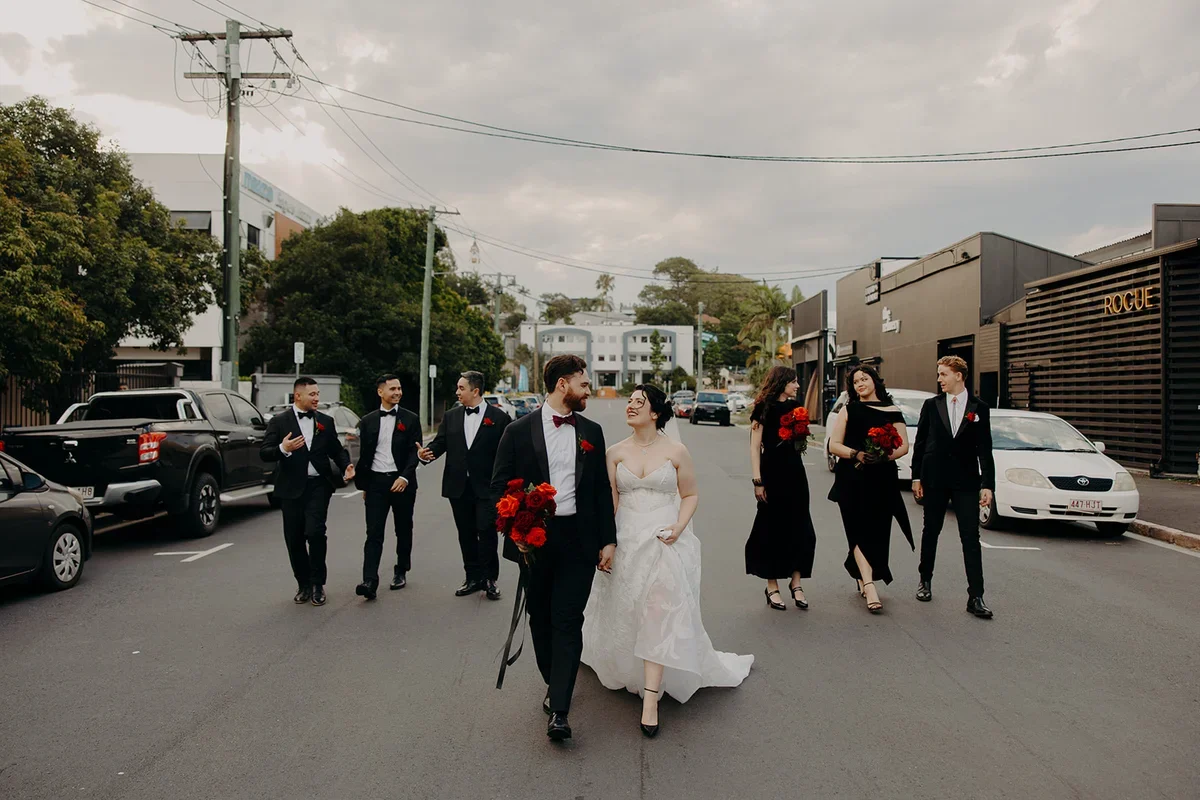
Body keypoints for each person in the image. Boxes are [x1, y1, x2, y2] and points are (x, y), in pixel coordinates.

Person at [582, 385, 753, 739]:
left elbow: (690, 494)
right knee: (629, 609)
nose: (630, 406)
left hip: (665, 539)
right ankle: (635, 671)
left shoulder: (676, 450)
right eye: (629, 402)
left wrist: (678, 526)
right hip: (627, 539)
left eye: (638, 402)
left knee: (659, 611)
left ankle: (651, 700)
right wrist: (606, 543)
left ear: (655, 412)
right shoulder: (614, 452)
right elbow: (610, 504)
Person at [489, 354, 616, 742]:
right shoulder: (517, 431)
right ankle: (554, 680)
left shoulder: (592, 431)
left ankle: (560, 708)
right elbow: (497, 488)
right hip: (534, 542)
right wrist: (517, 530)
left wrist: (609, 539)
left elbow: (599, 493)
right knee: (540, 620)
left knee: (567, 618)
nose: (588, 389)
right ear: (563, 384)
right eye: (583, 383)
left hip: (580, 539)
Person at [911, 356, 997, 619]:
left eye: (944, 374)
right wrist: (916, 478)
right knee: (931, 531)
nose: (940, 379)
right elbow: (921, 442)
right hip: (935, 479)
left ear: (959, 375)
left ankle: (976, 596)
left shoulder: (978, 407)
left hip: (966, 481)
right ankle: (924, 581)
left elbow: (985, 448)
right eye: (939, 374)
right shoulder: (932, 405)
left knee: (970, 538)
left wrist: (987, 485)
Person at [827, 365, 914, 613]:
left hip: (882, 479)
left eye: (864, 379)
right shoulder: (849, 409)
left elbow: (904, 445)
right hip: (851, 478)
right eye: (855, 382)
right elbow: (834, 445)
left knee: (877, 532)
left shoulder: (892, 410)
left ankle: (860, 571)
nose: (860, 384)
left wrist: (884, 457)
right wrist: (857, 454)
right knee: (856, 530)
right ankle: (869, 583)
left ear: (875, 381)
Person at [260, 376, 354, 607]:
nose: (317, 398)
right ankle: (303, 584)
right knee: (294, 538)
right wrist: (284, 448)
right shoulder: (279, 421)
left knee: (315, 532)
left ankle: (318, 584)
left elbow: (336, 449)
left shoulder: (325, 421)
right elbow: (265, 452)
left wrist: (346, 465)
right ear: (297, 396)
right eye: (312, 394)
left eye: (318, 394)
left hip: (318, 485)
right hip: (291, 487)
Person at [418, 371, 511, 600]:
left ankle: (490, 579)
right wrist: (425, 454)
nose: (457, 392)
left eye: (461, 388)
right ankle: (472, 577)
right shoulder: (451, 417)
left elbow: (508, 453)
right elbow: (440, 444)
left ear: (475, 391)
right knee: (466, 534)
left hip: (487, 488)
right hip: (458, 486)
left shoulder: (499, 419)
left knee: (487, 532)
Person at [744, 366, 818, 611]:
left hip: (796, 473)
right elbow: (755, 447)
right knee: (770, 529)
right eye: (794, 382)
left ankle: (796, 583)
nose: (797, 386)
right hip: (771, 474)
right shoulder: (763, 408)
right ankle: (772, 585)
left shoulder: (796, 408)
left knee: (801, 528)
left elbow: (800, 443)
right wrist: (757, 480)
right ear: (782, 382)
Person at [353, 374, 422, 599]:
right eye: (392, 389)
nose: (397, 392)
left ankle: (401, 570)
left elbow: (415, 453)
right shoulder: (367, 421)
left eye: (399, 388)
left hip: (401, 481)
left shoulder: (411, 419)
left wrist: (404, 478)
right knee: (373, 532)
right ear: (380, 392)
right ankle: (369, 580)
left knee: (403, 529)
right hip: (375, 483)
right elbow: (365, 455)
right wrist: (364, 485)